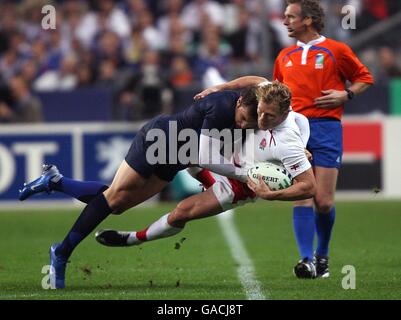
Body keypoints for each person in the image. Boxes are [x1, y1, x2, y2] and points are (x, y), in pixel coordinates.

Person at [194, 0, 374, 279]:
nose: (285, 21)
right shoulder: (284, 56)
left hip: (326, 128)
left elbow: (364, 77)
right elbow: (269, 89)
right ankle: (306, 260)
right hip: (290, 131)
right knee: (302, 194)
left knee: (323, 201)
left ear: (308, 20)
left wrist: (346, 94)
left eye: (291, 17)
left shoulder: (336, 50)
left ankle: (322, 255)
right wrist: (225, 86)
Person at [19, 86, 260, 289]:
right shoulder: (221, 106)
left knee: (117, 205)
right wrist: (243, 174)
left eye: (247, 124)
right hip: (160, 138)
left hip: (178, 156)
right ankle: (61, 253)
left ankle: (55, 182)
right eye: (241, 120)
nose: (241, 126)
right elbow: (206, 156)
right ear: (239, 102)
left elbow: (200, 152)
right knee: (112, 198)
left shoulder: (246, 110)